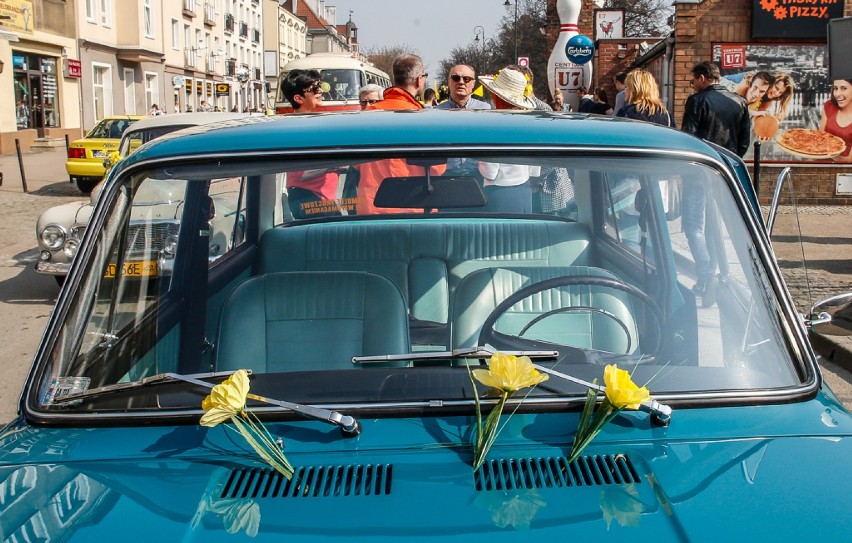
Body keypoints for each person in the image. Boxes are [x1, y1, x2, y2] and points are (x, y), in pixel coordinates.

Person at [681, 61, 750, 307]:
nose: (692, 84)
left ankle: (706, 273)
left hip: (699, 170)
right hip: (723, 171)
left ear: (702, 78)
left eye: (692, 80)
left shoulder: (697, 101)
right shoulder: (739, 102)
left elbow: (689, 136)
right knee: (713, 226)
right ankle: (716, 271)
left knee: (692, 225)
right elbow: (744, 141)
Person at [355, 54, 446, 214]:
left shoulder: (367, 116)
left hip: (372, 207)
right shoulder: (424, 120)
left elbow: (356, 164)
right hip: (413, 207)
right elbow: (438, 168)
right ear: (419, 80)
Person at [476, 67, 540, 213]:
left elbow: (490, 172)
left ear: (496, 97)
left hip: (499, 193)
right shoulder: (529, 123)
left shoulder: (491, 127)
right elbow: (535, 170)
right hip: (525, 190)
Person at [281, 69, 341, 219]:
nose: (320, 90)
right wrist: (337, 162)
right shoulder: (297, 129)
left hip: (320, 198)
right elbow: (301, 172)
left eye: (319, 85)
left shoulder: (312, 124)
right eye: (314, 89)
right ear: (298, 98)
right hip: (309, 198)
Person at [819, 79, 852, 163]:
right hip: (820, 165)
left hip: (843, 171)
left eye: (843, 88)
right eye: (835, 88)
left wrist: (827, 152)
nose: (837, 94)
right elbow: (818, 139)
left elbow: (848, 160)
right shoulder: (829, 106)